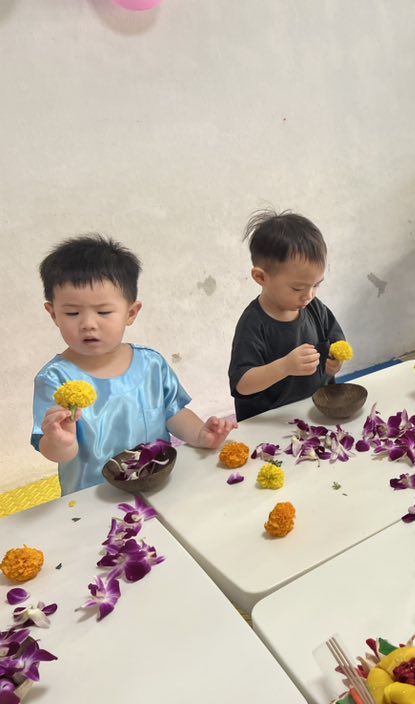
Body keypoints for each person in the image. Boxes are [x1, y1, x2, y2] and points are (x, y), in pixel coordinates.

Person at [33, 235, 236, 495]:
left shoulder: (150, 364)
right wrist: (59, 440)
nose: (88, 323)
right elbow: (58, 453)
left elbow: (172, 412)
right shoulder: (55, 379)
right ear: (53, 315)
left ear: (131, 313)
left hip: (157, 483)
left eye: (103, 312)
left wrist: (200, 435)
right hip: (92, 498)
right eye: (72, 313)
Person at [229, 210, 345, 421]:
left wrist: (336, 361)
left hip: (315, 412)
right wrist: (284, 367)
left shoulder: (314, 307)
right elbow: (242, 384)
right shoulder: (253, 324)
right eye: (297, 288)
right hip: (269, 423)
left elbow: (336, 341)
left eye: (316, 285)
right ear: (261, 277)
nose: (309, 295)